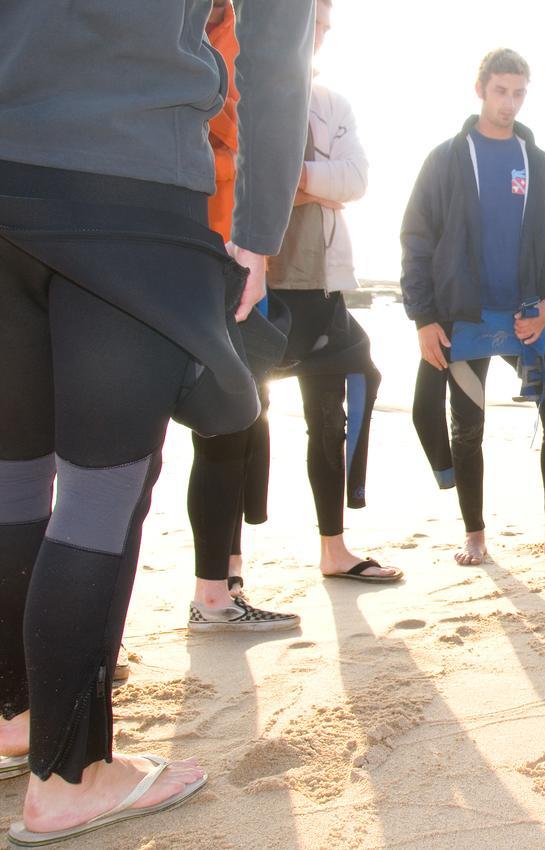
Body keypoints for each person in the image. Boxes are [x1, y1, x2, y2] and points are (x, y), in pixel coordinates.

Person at [0, 0, 314, 844]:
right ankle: (69, 778)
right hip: (132, 182)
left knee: (15, 478)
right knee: (101, 499)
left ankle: (15, 715)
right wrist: (256, 232)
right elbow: (276, 42)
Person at [401, 48, 545, 565]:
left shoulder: (537, 163)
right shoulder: (446, 159)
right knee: (467, 427)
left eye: (518, 93)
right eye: (500, 91)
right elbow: (416, 239)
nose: (509, 103)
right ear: (481, 90)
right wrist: (423, 317)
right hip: (463, 319)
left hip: (524, 317)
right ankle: (474, 533)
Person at [262, 0, 398, 586]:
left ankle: (334, 547)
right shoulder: (251, 86)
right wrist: (316, 186)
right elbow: (249, 178)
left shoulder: (334, 104)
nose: (318, 35)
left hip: (324, 284)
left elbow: (358, 178)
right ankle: (228, 571)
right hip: (261, 284)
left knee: (339, 402)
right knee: (242, 417)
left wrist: (301, 181)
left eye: (325, 26)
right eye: (311, 21)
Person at [185, 0, 302, 631]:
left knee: (233, 424)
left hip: (229, 253)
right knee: (212, 432)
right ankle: (212, 593)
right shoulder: (220, 33)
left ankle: (223, 583)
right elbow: (218, 116)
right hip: (206, 249)